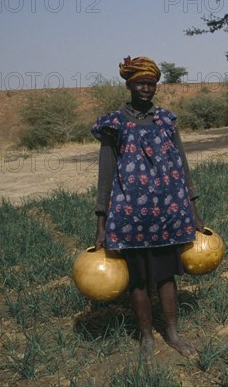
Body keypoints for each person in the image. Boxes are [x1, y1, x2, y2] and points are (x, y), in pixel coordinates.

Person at [92, 56, 203, 359]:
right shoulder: (114, 125)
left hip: (168, 214)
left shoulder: (167, 120)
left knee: (167, 277)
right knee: (138, 281)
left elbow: (182, 165)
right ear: (129, 84)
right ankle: (146, 338)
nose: (146, 88)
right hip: (130, 217)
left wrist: (193, 209)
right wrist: (101, 224)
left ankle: (173, 333)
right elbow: (106, 175)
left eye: (151, 83)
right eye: (141, 82)